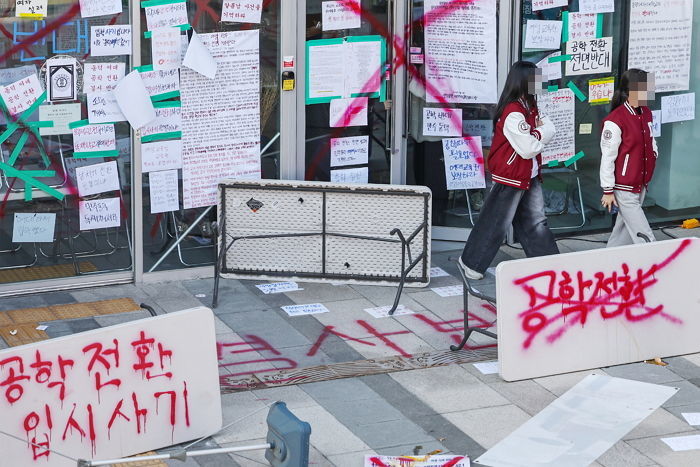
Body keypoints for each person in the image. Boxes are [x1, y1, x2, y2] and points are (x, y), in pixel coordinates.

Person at [458, 61, 558, 280]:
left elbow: (536, 138)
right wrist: (544, 132)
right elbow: (529, 147)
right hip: (510, 176)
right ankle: (471, 263)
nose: (542, 83)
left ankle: (550, 264)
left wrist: (540, 132)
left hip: (527, 175)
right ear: (525, 82)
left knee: (534, 221)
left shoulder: (529, 107)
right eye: (537, 79)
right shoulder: (514, 111)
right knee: (496, 223)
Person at [599, 68, 658, 246]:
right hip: (623, 186)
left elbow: (651, 139)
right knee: (644, 235)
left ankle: (608, 262)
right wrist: (608, 190)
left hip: (641, 182)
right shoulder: (615, 120)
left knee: (623, 233)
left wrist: (655, 153)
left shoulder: (646, 112)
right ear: (631, 91)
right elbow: (607, 157)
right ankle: (655, 265)